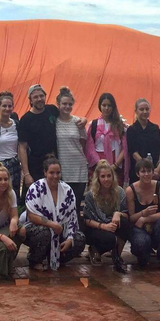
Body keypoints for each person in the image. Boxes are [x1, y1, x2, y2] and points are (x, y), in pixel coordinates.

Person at [18, 84, 86, 196]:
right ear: (30, 100)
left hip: (54, 164)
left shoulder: (52, 110)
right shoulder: (26, 120)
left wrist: (83, 119)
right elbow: (22, 147)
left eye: (41, 96)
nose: (39, 99)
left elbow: (67, 114)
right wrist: (26, 174)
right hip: (35, 166)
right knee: (36, 197)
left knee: (55, 197)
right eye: (35, 97)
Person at [23, 155, 86, 271]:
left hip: (61, 231)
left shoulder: (67, 190)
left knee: (79, 239)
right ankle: (35, 259)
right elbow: (31, 216)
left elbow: (72, 218)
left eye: (58, 173)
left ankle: (57, 258)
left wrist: (70, 238)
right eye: (51, 173)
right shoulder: (35, 188)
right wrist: (52, 224)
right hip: (39, 229)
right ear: (45, 173)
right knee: (44, 233)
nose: (55, 176)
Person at [125, 157, 160, 270]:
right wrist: (143, 212)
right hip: (139, 229)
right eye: (143, 171)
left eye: (149, 171)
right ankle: (143, 255)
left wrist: (145, 218)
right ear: (138, 174)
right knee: (142, 243)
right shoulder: (131, 190)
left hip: (156, 226)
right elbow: (131, 218)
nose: (146, 174)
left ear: (153, 172)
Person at [83, 159, 129, 273]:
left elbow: (127, 213)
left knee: (126, 223)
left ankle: (117, 256)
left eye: (109, 176)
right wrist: (104, 226)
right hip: (96, 227)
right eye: (103, 176)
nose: (106, 179)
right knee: (109, 238)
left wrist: (118, 213)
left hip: (113, 224)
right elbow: (86, 219)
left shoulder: (120, 192)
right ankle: (95, 250)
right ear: (98, 178)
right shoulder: (91, 195)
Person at [53, 86, 88, 220]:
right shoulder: (54, 122)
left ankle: (75, 235)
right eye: (64, 104)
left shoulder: (78, 122)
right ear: (58, 104)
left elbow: (83, 143)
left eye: (69, 104)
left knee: (76, 205)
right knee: (63, 205)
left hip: (79, 168)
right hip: (63, 169)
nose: (67, 106)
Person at [85, 92, 129, 185]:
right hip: (98, 163)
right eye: (104, 105)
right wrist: (99, 162)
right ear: (99, 106)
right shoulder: (93, 124)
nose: (106, 108)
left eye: (109, 105)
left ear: (113, 106)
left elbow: (125, 148)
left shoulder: (120, 125)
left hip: (116, 163)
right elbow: (90, 147)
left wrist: (116, 164)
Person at [126, 98, 160, 185]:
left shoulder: (155, 128)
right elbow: (133, 151)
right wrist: (147, 169)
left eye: (147, 109)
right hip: (139, 169)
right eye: (141, 109)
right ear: (136, 111)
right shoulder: (131, 130)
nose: (145, 112)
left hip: (156, 168)